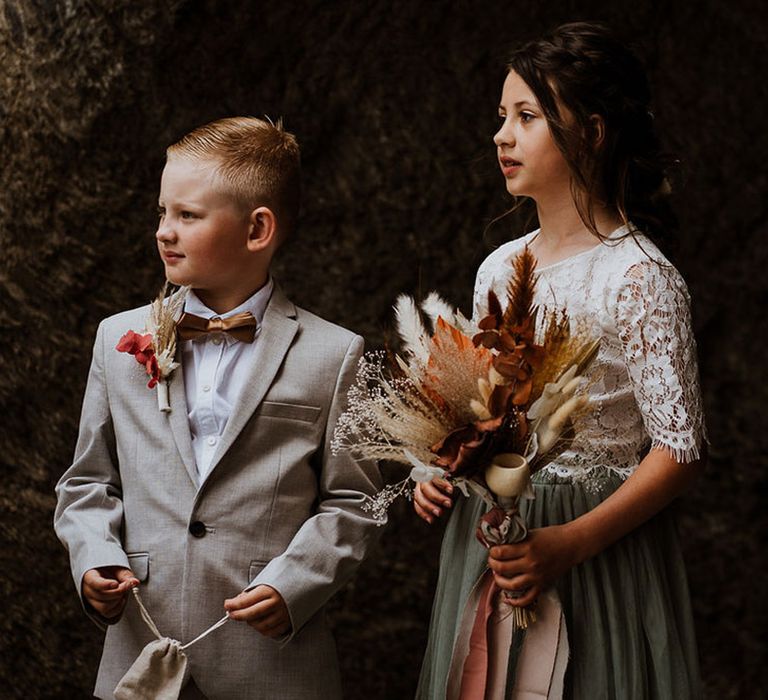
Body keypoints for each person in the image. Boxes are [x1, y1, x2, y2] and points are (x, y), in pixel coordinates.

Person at [414, 22, 707, 699]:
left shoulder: (639, 278)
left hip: (588, 546)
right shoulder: (499, 268)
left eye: (526, 116)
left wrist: (569, 543)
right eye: (500, 117)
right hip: (495, 538)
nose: (501, 136)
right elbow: (484, 412)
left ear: (592, 132)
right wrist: (443, 469)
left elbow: (680, 450)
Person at [54, 116, 381, 699]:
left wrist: (295, 584)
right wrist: (93, 559)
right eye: (161, 212)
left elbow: (355, 501)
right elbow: (87, 482)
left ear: (258, 229)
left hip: (272, 661)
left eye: (188, 215)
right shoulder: (118, 339)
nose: (163, 231)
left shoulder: (333, 354)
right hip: (141, 647)